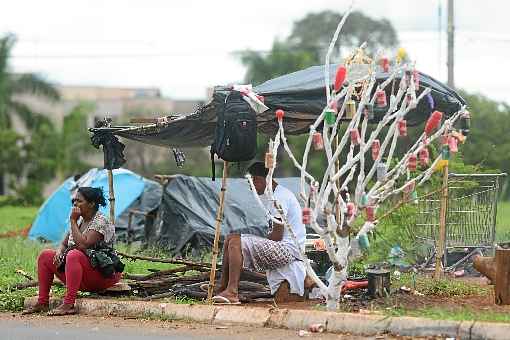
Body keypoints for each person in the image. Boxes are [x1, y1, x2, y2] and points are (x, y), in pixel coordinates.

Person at [212, 161, 306, 304]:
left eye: (251, 184)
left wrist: (253, 244)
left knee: (236, 242)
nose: (251, 188)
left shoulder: (278, 198)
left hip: (289, 251)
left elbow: (276, 236)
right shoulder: (274, 195)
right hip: (284, 247)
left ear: (259, 179)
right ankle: (222, 288)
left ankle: (232, 292)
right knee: (231, 238)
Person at [22, 187, 121, 316]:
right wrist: (59, 252)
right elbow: (64, 244)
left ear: (91, 204)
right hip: (82, 275)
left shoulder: (101, 221)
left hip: (103, 275)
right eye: (74, 200)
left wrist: (73, 221)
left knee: (74, 255)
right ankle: (42, 302)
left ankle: (69, 304)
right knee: (45, 255)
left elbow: (83, 245)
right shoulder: (80, 220)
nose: (75, 203)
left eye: (79, 201)